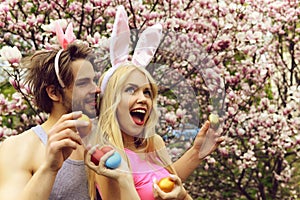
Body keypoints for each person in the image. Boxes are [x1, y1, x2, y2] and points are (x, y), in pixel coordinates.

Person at [85, 5, 223, 200]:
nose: (143, 99)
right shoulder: (108, 157)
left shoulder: (153, 144)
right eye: (131, 90)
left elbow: (165, 185)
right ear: (111, 100)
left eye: (147, 92)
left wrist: (196, 152)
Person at [0, 23, 139, 199]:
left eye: (93, 81)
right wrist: (50, 168)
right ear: (54, 93)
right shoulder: (18, 148)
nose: (96, 89)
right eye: (83, 83)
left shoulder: (105, 143)